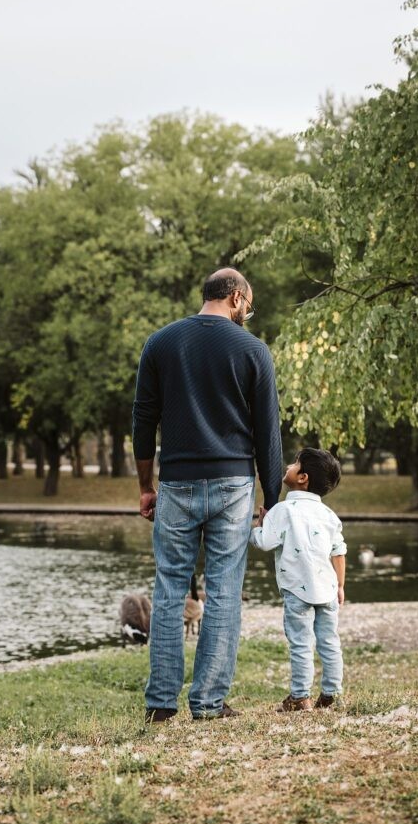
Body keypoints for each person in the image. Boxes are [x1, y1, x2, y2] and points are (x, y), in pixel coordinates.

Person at [132, 267, 282, 723]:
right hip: (234, 485)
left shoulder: (160, 343)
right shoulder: (253, 350)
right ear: (235, 298)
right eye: (248, 306)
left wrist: (145, 486)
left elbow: (143, 419)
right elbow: (267, 432)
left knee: (169, 589)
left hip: (176, 482)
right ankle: (209, 703)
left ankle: (161, 705)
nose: (247, 314)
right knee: (223, 592)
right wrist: (272, 499)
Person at [251, 447, 346, 711]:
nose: (288, 467)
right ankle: (332, 693)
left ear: (303, 478)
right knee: (330, 642)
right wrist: (340, 585)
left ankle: (300, 696)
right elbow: (339, 552)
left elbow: (265, 542)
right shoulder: (329, 515)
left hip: (297, 590)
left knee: (301, 643)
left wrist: (258, 527)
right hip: (327, 589)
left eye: (294, 464)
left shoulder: (283, 510)